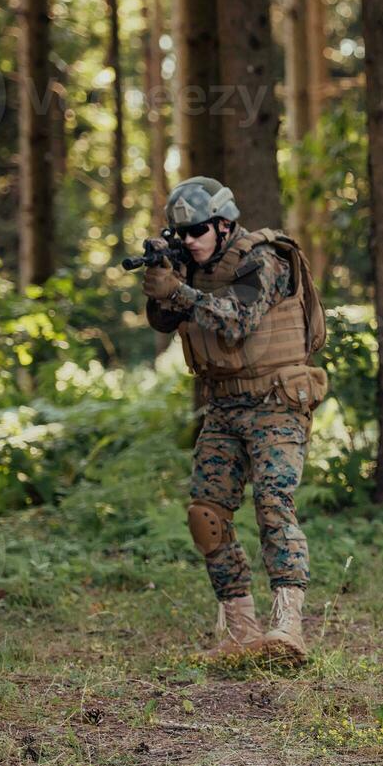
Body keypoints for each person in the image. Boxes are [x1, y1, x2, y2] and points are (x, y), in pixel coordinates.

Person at [141, 177, 328, 663]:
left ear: (224, 224)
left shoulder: (261, 259)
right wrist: (161, 285)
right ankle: (240, 629)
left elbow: (236, 320)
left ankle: (288, 626)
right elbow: (163, 323)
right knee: (207, 515)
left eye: (196, 231)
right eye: (178, 233)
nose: (187, 241)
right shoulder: (191, 267)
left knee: (273, 504)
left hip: (276, 403)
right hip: (224, 406)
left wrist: (179, 292)